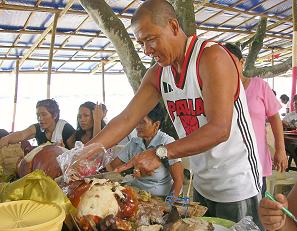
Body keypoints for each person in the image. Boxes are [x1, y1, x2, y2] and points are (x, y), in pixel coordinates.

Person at [85, 0, 263, 227]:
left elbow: (219, 130)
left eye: (150, 39)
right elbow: (126, 119)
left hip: (238, 184)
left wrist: (159, 153)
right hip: (202, 183)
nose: (147, 50)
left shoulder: (211, 57)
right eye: (141, 43)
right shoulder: (158, 75)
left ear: (174, 26)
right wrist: (83, 154)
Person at [224, 43, 288, 196]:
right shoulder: (217, 91)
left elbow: (274, 118)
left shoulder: (259, 86)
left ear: (241, 62)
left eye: (232, 63)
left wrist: (280, 149)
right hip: (228, 163)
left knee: (256, 208)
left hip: (256, 159)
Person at [106, 104, 183, 197]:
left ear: (156, 124)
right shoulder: (134, 142)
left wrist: (169, 205)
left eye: (142, 122)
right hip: (137, 194)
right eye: (137, 122)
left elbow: (178, 180)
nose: (137, 126)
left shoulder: (167, 143)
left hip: (159, 198)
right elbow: (113, 167)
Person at [0, 99, 75, 149]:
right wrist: (6, 139)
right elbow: (22, 134)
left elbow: (76, 152)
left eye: (44, 114)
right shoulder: (38, 128)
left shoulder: (66, 129)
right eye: (38, 115)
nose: (40, 118)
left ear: (55, 115)